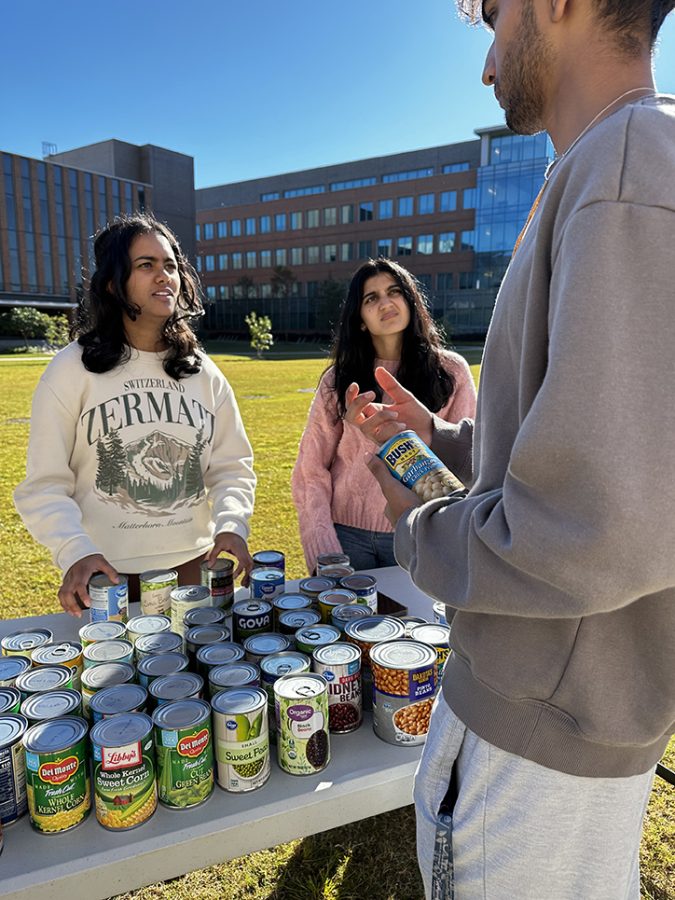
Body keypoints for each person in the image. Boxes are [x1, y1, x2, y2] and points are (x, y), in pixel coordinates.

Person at [346, 0, 675, 896]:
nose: (485, 63)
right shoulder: (618, 164)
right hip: (558, 715)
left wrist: (419, 522)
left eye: (490, 17)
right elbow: (591, 449)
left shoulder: (625, 165)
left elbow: (602, 525)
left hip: (535, 731)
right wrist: (441, 437)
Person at [14, 214, 255, 616]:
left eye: (171, 266)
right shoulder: (72, 368)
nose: (165, 276)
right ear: (112, 283)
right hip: (106, 574)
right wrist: (74, 550)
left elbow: (232, 466)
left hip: (193, 567)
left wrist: (232, 523)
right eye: (146, 265)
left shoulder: (202, 370)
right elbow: (44, 484)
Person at [291, 258, 476, 574]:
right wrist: (324, 550)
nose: (386, 303)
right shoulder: (337, 379)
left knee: (413, 623)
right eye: (371, 298)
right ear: (360, 318)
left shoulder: (451, 372)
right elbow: (311, 471)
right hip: (345, 535)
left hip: (417, 530)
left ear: (410, 300)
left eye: (394, 291)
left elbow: (468, 467)